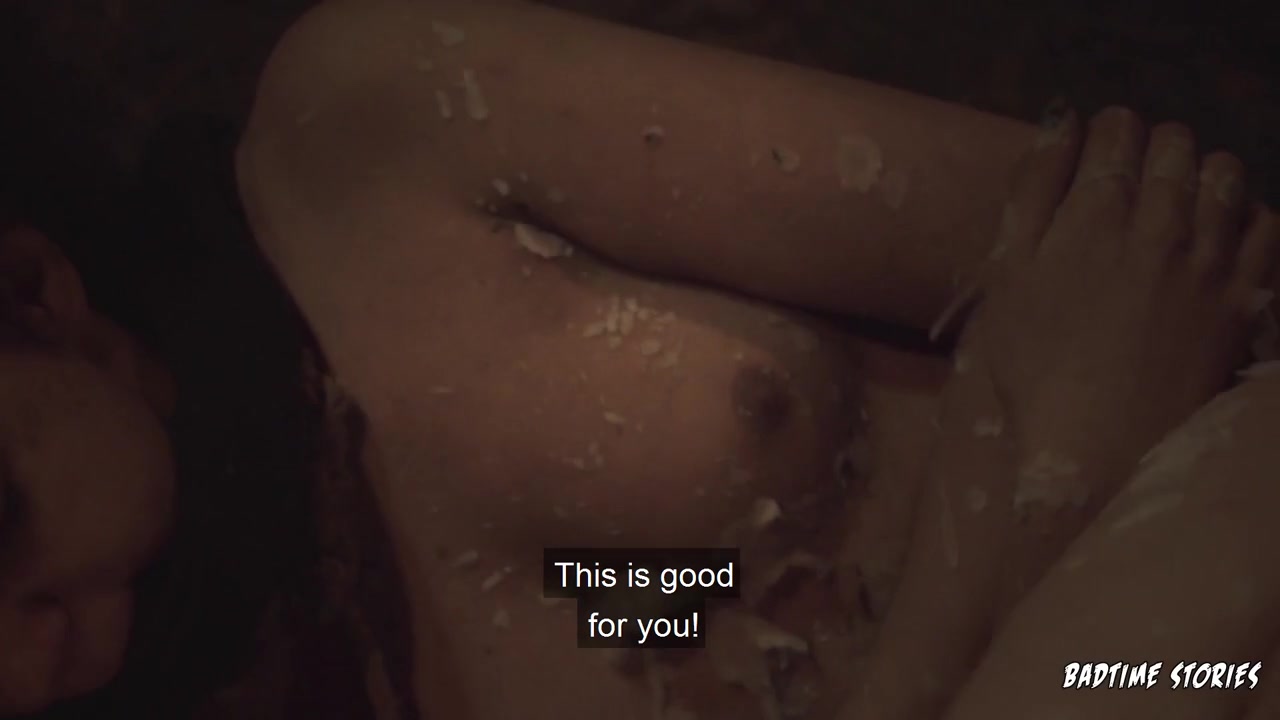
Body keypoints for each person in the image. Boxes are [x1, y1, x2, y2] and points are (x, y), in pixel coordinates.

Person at [6, 0, 1280, 718]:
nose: (19, 667)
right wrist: (1045, 471)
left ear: (29, 295)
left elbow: (1134, 247)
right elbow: (669, 608)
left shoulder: (365, 145)